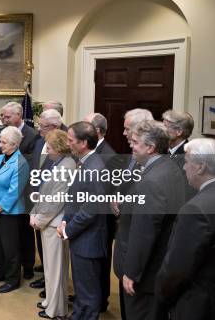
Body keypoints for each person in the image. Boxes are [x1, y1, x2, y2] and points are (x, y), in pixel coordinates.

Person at [155, 138, 215, 320]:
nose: (184, 168)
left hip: (201, 307)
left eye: (187, 162)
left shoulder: (195, 209)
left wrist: (161, 299)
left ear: (201, 167)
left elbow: (176, 271)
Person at [113, 120, 186, 320]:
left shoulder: (153, 180)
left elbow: (145, 231)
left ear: (151, 147)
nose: (131, 145)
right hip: (155, 267)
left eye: (135, 142)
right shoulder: (167, 167)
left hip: (144, 274)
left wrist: (132, 272)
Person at [57, 121, 106, 320]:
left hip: (89, 239)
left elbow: (91, 208)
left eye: (70, 140)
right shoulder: (86, 162)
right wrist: (64, 222)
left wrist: (69, 229)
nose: (68, 144)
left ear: (83, 143)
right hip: (81, 236)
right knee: (81, 286)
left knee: (88, 291)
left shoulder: (95, 167)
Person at [30, 130, 76, 319]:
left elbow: (55, 201)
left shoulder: (66, 166)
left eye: (49, 147)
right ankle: (50, 301)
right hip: (48, 222)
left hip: (53, 224)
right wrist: (34, 212)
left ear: (58, 148)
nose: (46, 150)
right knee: (50, 268)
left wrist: (38, 220)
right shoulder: (59, 162)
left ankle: (56, 310)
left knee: (56, 270)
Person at [0, 126, 30, 293]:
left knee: (10, 248)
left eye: (3, 142)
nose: (0, 144)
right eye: (0, 141)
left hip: (9, 212)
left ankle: (13, 279)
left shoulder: (21, 162)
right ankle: (1, 272)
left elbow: (14, 191)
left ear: (14, 144)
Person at [0, 101, 38, 279]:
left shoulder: (32, 136)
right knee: (10, 234)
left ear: (19, 115)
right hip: (5, 191)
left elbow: (31, 167)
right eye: (3, 116)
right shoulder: (2, 132)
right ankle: (8, 266)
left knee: (25, 233)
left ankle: (28, 266)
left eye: (7, 116)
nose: (4, 119)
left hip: (23, 192)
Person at [84, 112, 116, 313]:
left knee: (99, 264)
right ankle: (88, 298)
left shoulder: (108, 155)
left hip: (100, 219)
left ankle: (99, 301)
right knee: (89, 268)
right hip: (89, 217)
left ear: (96, 131)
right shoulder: (93, 150)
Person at [29, 108, 63, 292]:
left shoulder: (62, 145)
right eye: (39, 125)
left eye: (43, 126)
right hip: (37, 198)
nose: (39, 129)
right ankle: (44, 274)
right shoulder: (39, 140)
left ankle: (50, 285)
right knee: (40, 243)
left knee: (53, 252)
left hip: (52, 208)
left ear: (55, 126)